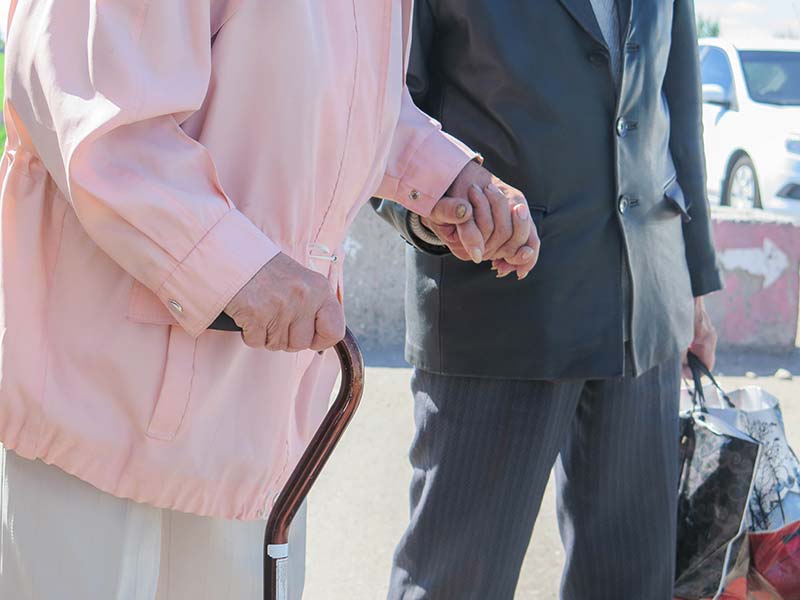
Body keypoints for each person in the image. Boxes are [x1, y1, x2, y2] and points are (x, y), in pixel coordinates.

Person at [0, 1, 537, 598]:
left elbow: (337, 82)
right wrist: (240, 269)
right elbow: (91, 106)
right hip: (101, 403)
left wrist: (443, 175)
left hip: (257, 418)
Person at [374, 0, 721, 598]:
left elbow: (677, 99)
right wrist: (441, 210)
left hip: (646, 306)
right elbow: (375, 109)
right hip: (496, 302)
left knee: (632, 584)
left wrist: (691, 282)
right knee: (456, 582)